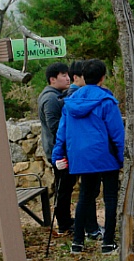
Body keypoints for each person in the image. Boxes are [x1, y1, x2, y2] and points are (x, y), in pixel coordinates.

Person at [52, 59, 124, 255]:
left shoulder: (70, 102)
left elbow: (62, 133)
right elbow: (117, 133)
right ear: (102, 77)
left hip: (80, 156)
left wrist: (57, 155)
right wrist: (121, 157)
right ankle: (108, 242)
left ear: (82, 76)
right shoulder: (106, 101)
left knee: (84, 196)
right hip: (105, 155)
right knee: (110, 198)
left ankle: (78, 242)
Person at [37, 62, 101, 238]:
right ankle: (64, 223)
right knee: (64, 189)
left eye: (68, 75)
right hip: (59, 153)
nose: (67, 78)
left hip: (64, 150)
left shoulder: (58, 95)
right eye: (63, 76)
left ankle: (66, 221)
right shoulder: (50, 99)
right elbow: (54, 126)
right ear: (52, 79)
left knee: (66, 187)